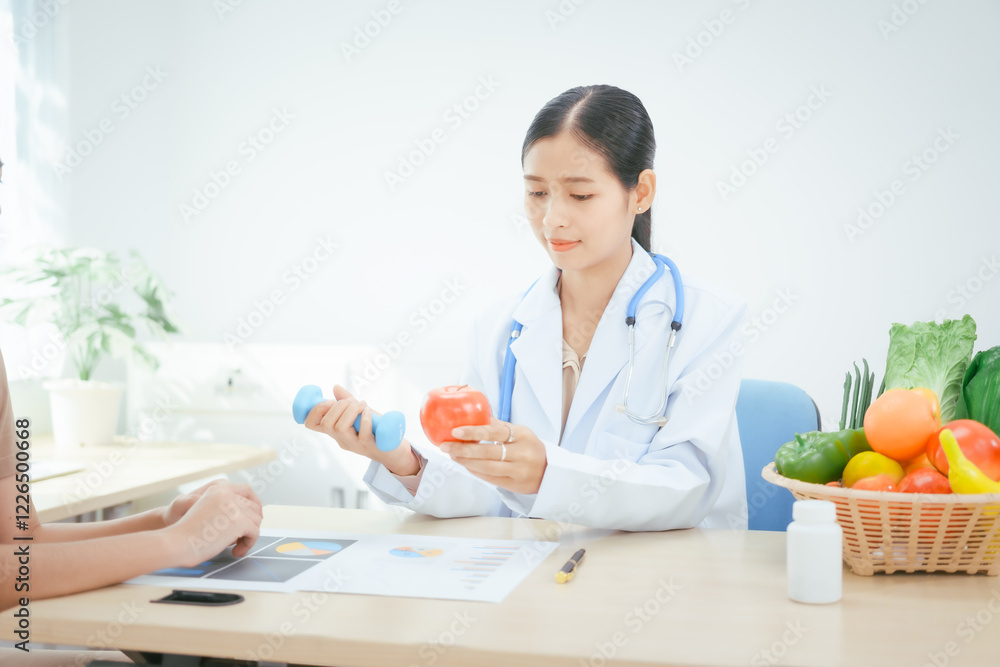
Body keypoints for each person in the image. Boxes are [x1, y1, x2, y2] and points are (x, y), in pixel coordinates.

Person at [306, 85, 749, 531]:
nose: (552, 218)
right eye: (537, 193)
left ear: (641, 193)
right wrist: (399, 458)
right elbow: (487, 488)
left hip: (668, 578)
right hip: (541, 575)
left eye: (579, 195)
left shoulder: (706, 321)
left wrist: (547, 474)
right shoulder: (499, 328)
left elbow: (686, 489)